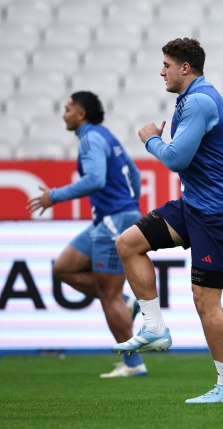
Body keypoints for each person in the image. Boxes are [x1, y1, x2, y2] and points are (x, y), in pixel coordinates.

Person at [111, 38, 223, 403]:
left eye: (167, 64)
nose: (161, 71)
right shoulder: (204, 96)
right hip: (194, 205)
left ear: (186, 68)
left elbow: (177, 159)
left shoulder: (198, 101)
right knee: (128, 243)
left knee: (206, 301)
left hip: (216, 214)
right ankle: (154, 327)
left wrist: (151, 139)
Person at [27, 91, 144, 378]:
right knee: (63, 268)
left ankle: (133, 364)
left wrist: (54, 196)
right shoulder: (104, 136)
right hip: (108, 219)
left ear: (81, 114)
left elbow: (95, 179)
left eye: (67, 109)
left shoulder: (90, 139)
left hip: (113, 220)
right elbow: (135, 174)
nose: (63, 114)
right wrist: (130, 207)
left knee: (108, 294)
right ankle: (127, 303)